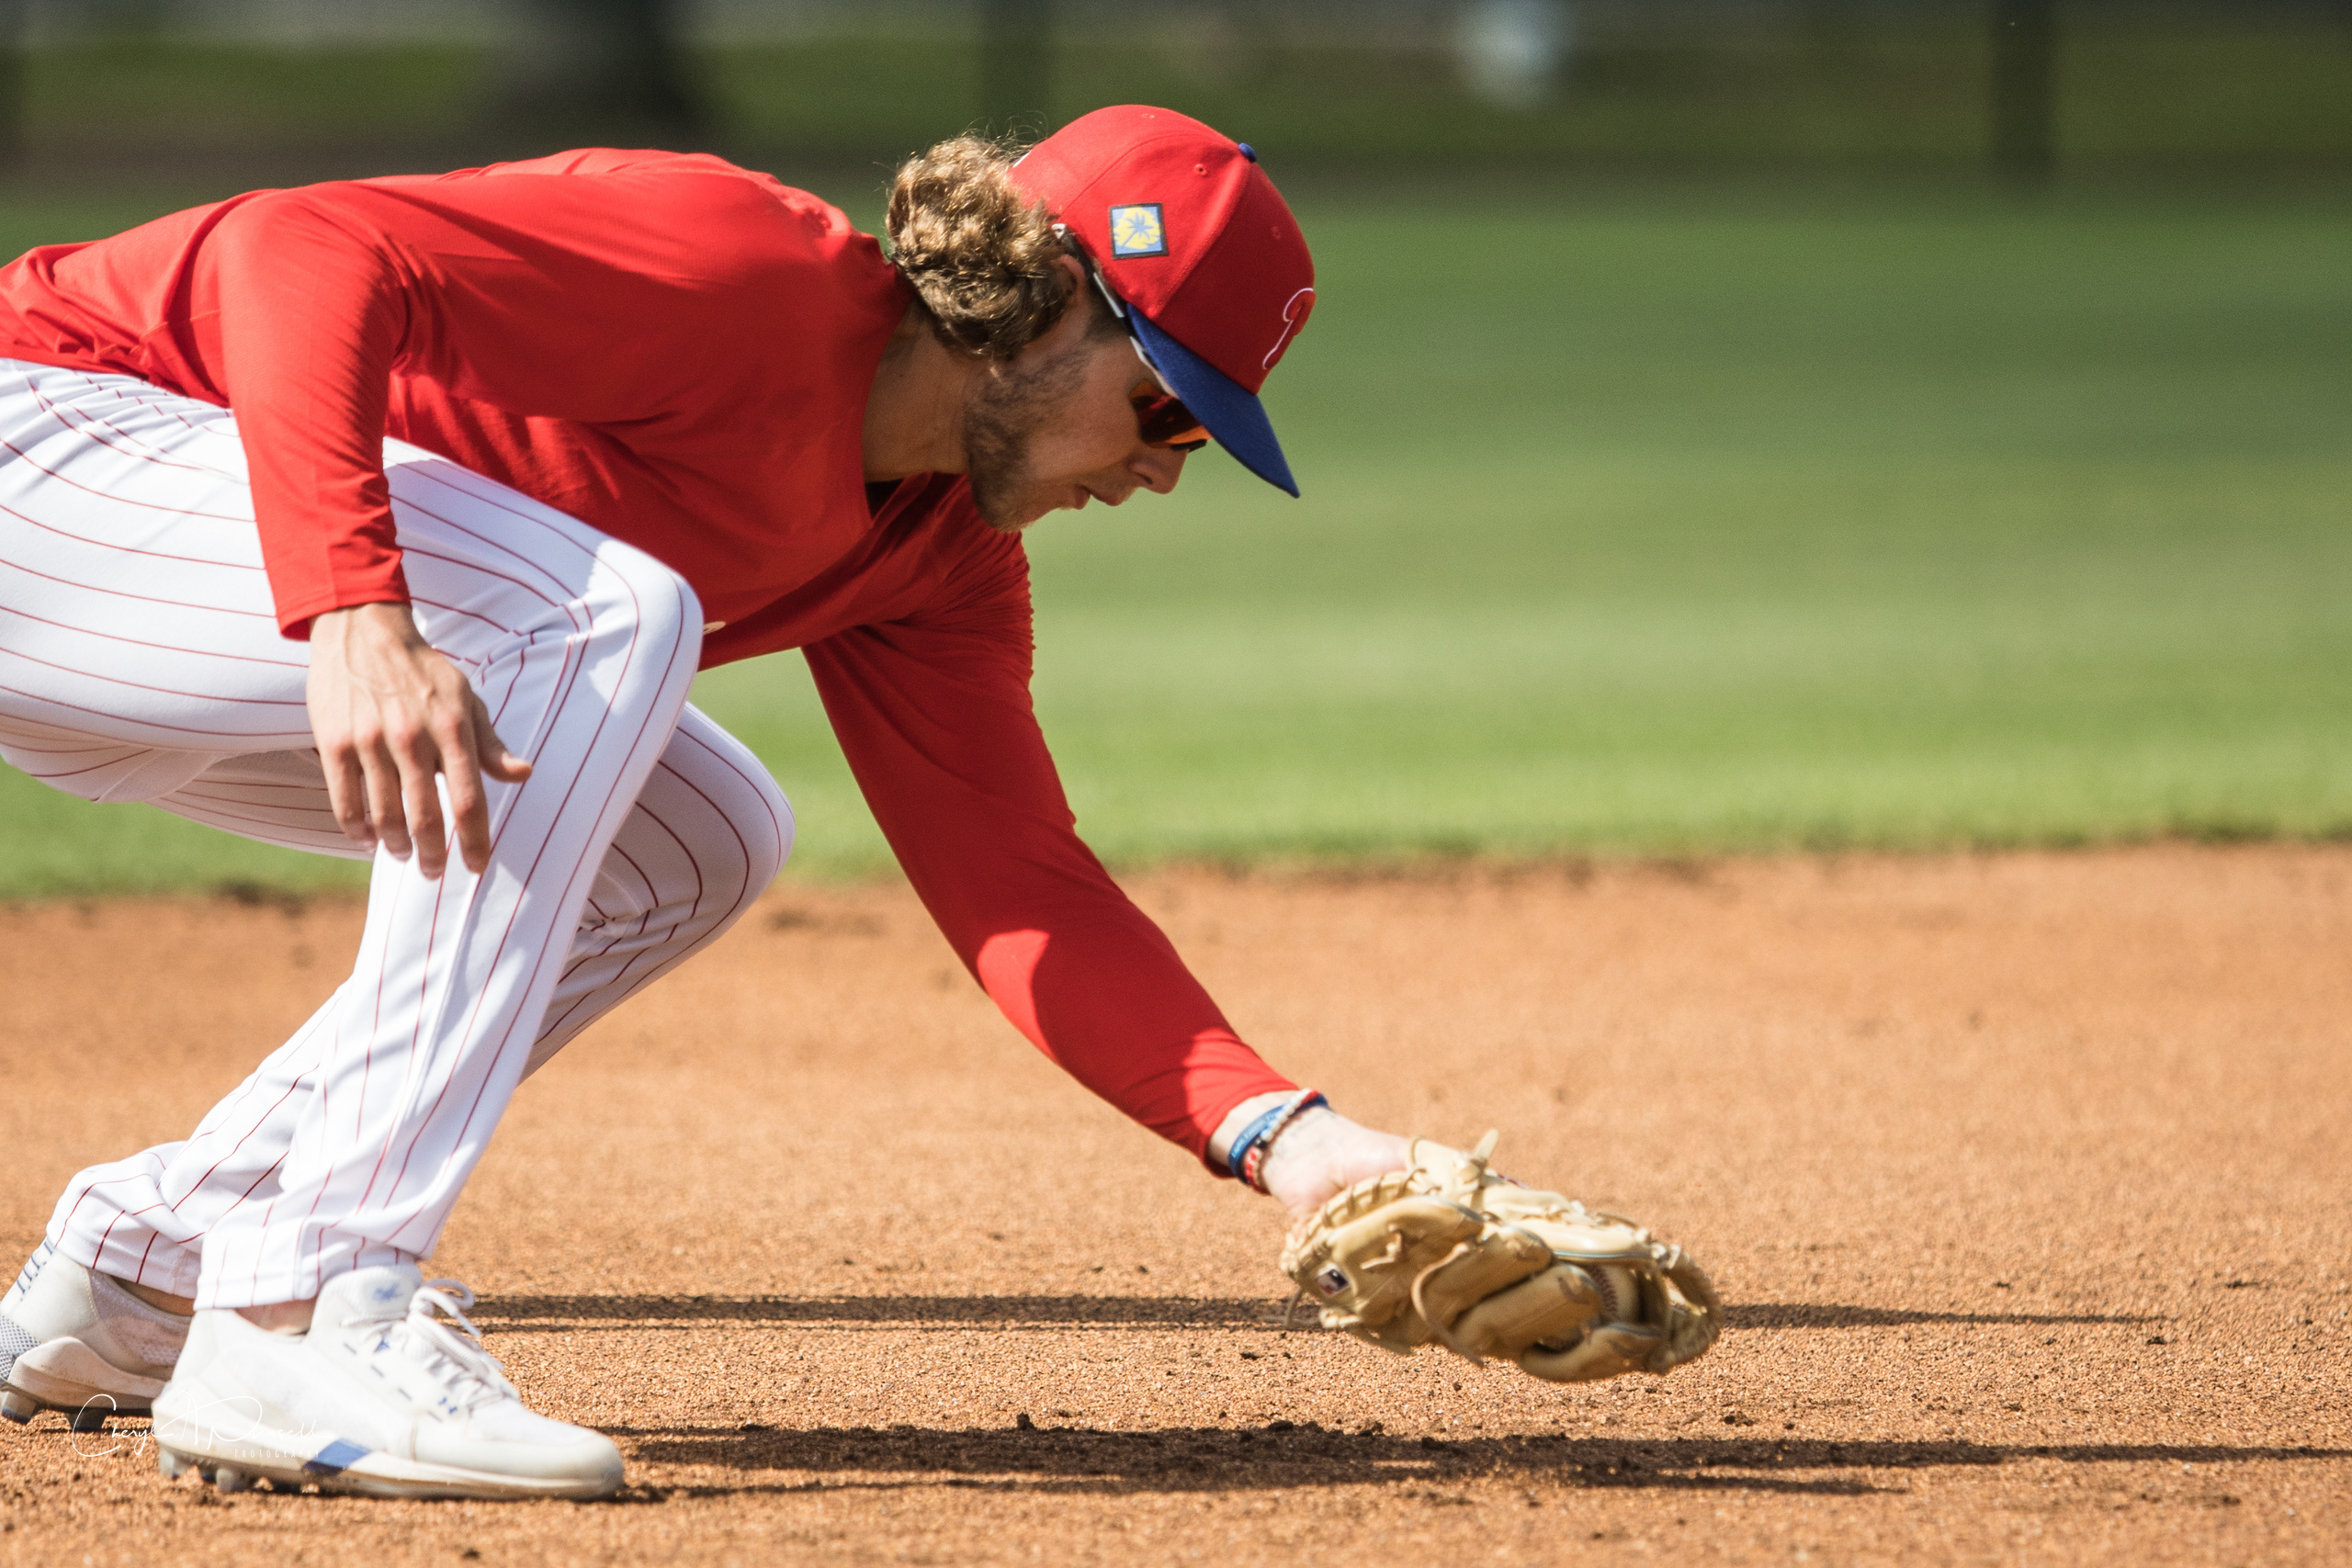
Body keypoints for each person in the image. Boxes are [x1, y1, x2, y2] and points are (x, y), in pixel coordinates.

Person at [0, 106, 1410, 1499]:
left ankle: (149, 1267)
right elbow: (295, 242)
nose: (1166, 463)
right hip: (53, 441)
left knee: (697, 839)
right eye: (1166, 402)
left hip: (167, 602)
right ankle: (305, 1306)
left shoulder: (940, 558)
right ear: (1043, 302)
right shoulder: (746, 274)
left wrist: (1294, 1143)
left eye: (1206, 438)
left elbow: (1024, 889)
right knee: (607, 625)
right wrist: (356, 607)